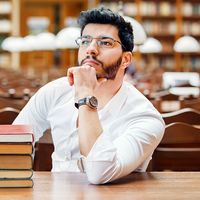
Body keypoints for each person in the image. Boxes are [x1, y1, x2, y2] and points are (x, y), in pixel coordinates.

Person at [13, 7, 165, 184]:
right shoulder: (54, 91)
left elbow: (100, 173)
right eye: (85, 41)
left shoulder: (145, 117)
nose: (91, 49)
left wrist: (85, 96)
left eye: (105, 42)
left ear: (126, 59)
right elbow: (14, 144)